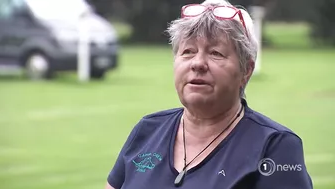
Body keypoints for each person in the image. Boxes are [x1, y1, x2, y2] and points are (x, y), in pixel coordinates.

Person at [105, 0, 313, 188]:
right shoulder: (147, 131)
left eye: (216, 53)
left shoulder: (275, 147)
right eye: (188, 51)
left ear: (246, 70)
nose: (197, 63)